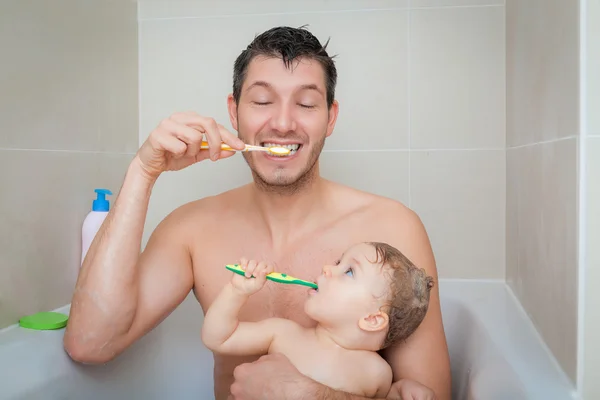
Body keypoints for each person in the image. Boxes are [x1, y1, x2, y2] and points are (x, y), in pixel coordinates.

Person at [64, 25, 452, 400]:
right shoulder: (191, 230)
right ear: (234, 113)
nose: (282, 123)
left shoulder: (393, 228)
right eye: (263, 102)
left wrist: (311, 395)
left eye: (305, 104)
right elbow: (90, 343)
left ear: (330, 118)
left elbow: (432, 397)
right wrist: (143, 171)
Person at [202, 242, 436, 399]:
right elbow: (219, 338)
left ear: (372, 319)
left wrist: (402, 392)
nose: (327, 268)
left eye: (349, 272)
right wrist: (236, 291)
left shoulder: (377, 373)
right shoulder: (283, 333)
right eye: (338, 262)